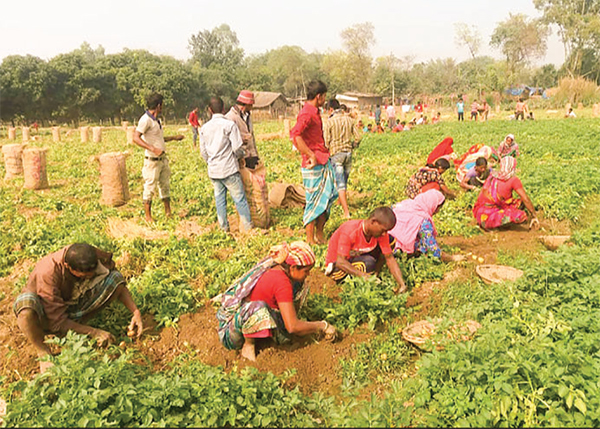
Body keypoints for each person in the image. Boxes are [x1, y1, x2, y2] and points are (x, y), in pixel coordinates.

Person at [13, 243, 144, 373]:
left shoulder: (91, 255)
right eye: (84, 276)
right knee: (26, 310)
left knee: (115, 278)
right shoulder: (48, 273)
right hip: (45, 314)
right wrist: (95, 332)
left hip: (70, 302)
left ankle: (77, 327)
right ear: (68, 267)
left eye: (91, 274)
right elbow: (56, 322)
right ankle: (43, 351)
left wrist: (135, 312)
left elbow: (118, 281)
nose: (89, 277)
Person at [216, 241, 337, 361]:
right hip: (231, 334)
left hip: (243, 319)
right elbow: (292, 327)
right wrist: (322, 326)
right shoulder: (281, 282)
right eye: (306, 271)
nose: (308, 274)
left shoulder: (279, 268)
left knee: (299, 286)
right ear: (293, 267)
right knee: (259, 309)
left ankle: (262, 336)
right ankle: (249, 345)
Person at [290, 80, 338, 245]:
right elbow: (295, 135)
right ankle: (310, 240)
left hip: (323, 162)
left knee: (328, 198)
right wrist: (311, 154)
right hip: (314, 166)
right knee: (313, 201)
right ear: (319, 96)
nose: (325, 99)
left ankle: (319, 234)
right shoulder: (307, 113)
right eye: (324, 96)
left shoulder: (314, 111)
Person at [200, 96, 253, 233]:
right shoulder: (229, 125)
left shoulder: (204, 128)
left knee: (220, 200)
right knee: (240, 199)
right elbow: (236, 148)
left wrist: (211, 162)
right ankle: (248, 229)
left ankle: (224, 229)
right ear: (223, 109)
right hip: (229, 169)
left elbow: (203, 152)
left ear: (209, 110)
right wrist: (239, 157)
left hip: (214, 171)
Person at [324, 207, 407, 294]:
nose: (384, 234)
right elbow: (340, 262)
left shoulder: (380, 234)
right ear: (373, 222)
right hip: (338, 267)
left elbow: (389, 257)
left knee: (390, 241)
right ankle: (357, 287)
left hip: (357, 257)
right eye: (383, 230)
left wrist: (402, 284)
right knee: (367, 263)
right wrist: (364, 276)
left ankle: (375, 274)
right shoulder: (350, 231)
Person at [132, 93, 184, 223]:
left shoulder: (156, 120)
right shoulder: (145, 120)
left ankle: (168, 212)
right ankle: (148, 217)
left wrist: (173, 138)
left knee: (165, 186)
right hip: (152, 161)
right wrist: (152, 149)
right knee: (150, 187)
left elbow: (158, 139)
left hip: (162, 160)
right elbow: (135, 138)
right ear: (159, 105)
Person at [225, 90, 270, 228]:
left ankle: (258, 218)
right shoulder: (230, 118)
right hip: (240, 159)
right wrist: (242, 144)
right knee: (243, 191)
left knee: (255, 188)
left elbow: (252, 136)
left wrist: (255, 154)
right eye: (251, 105)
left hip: (250, 156)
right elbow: (230, 141)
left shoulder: (247, 116)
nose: (252, 108)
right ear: (245, 104)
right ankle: (247, 220)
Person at [389, 190, 463, 263]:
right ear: (433, 205)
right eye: (438, 208)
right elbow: (432, 249)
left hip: (386, 241)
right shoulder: (423, 221)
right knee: (424, 246)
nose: (437, 212)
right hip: (396, 250)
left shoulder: (405, 203)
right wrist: (452, 258)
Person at [473, 156, 540, 231]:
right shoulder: (513, 180)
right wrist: (534, 216)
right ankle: (494, 224)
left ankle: (490, 222)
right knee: (521, 215)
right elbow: (525, 198)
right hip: (490, 214)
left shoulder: (493, 175)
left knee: (518, 203)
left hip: (480, 213)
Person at [324, 98, 362, 219]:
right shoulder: (349, 120)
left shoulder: (329, 122)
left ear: (330, 109)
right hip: (348, 154)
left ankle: (346, 212)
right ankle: (340, 201)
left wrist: (328, 149)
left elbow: (326, 141)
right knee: (344, 180)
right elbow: (358, 137)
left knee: (340, 183)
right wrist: (352, 146)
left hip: (336, 154)